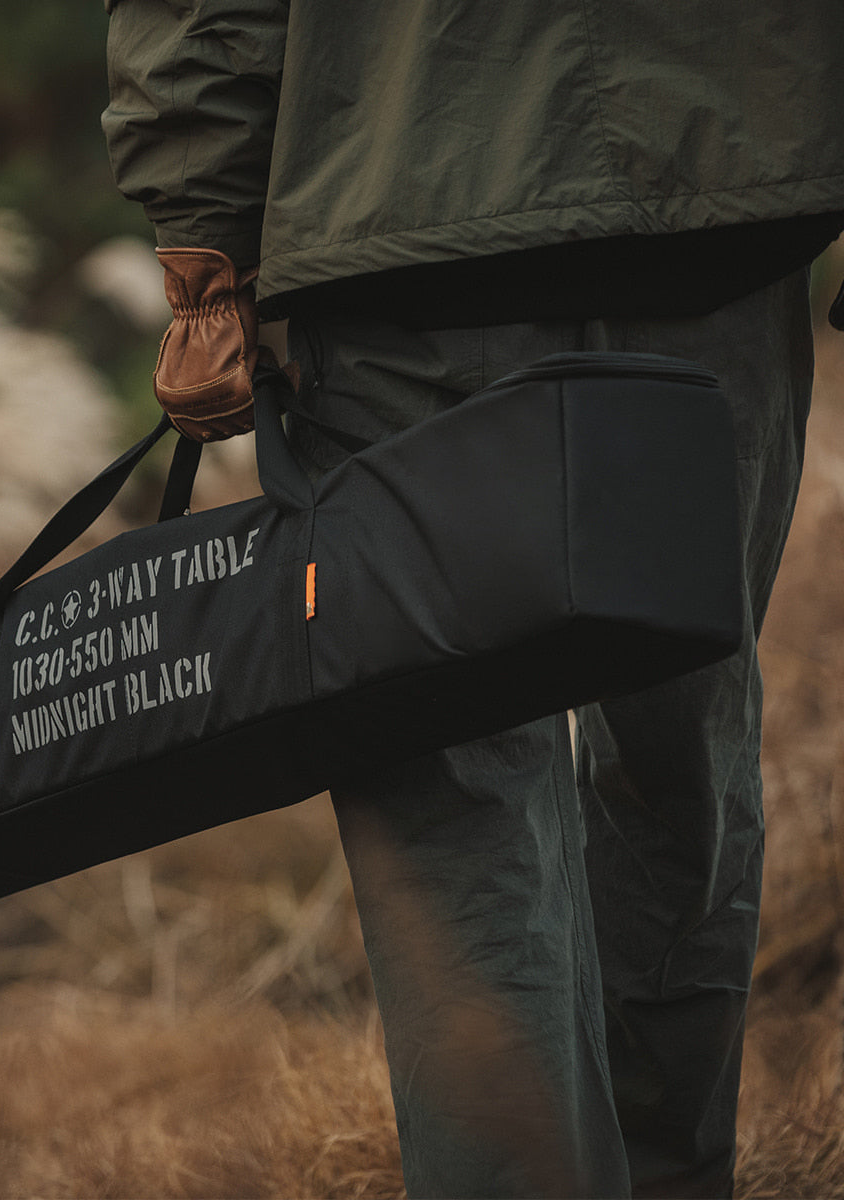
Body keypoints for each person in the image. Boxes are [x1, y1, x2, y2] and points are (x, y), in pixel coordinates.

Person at [100, 2, 844, 1195]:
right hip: (715, 196)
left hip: (401, 213)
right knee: (684, 755)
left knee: (452, 797)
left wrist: (204, 242)